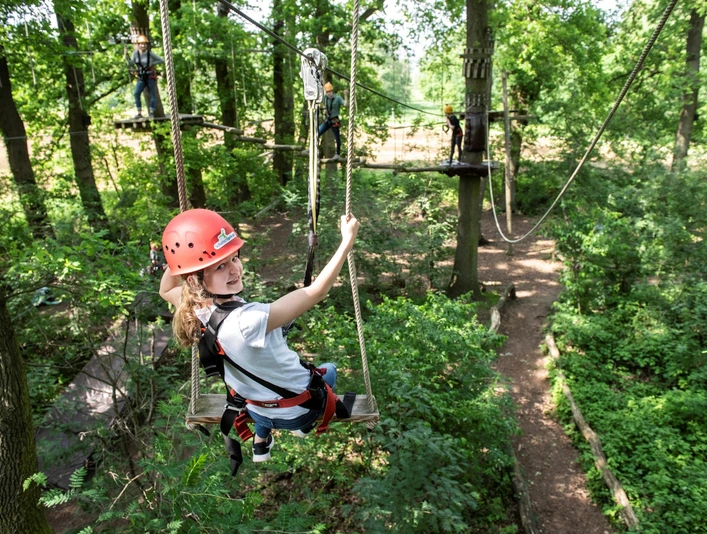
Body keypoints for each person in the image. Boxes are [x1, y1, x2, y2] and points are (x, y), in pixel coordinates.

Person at [159, 209, 360, 462]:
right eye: (221, 266)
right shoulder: (248, 320)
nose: (234, 270)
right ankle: (301, 427)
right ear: (197, 280)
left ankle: (261, 440)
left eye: (234, 258)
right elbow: (317, 291)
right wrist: (346, 242)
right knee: (329, 369)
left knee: (261, 380)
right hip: (298, 409)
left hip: (255, 409)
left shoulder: (194, 309)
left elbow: (166, 288)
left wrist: (183, 259)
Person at [130, 35, 164, 119]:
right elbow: (130, 64)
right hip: (141, 76)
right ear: (138, 45)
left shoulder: (150, 54)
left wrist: (152, 63)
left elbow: (161, 60)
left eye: (144, 44)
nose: (143, 46)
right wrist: (126, 56)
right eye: (141, 44)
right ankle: (139, 112)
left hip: (150, 76)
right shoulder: (135, 54)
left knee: (152, 93)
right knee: (136, 93)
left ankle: (151, 112)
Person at [318, 82, 348, 160]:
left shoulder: (337, 98)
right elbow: (318, 98)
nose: (329, 94)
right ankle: (313, 148)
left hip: (334, 120)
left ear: (332, 91)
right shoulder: (325, 98)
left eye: (330, 92)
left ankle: (337, 154)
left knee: (337, 138)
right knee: (317, 133)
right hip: (327, 120)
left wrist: (345, 95)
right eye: (327, 92)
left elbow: (345, 104)